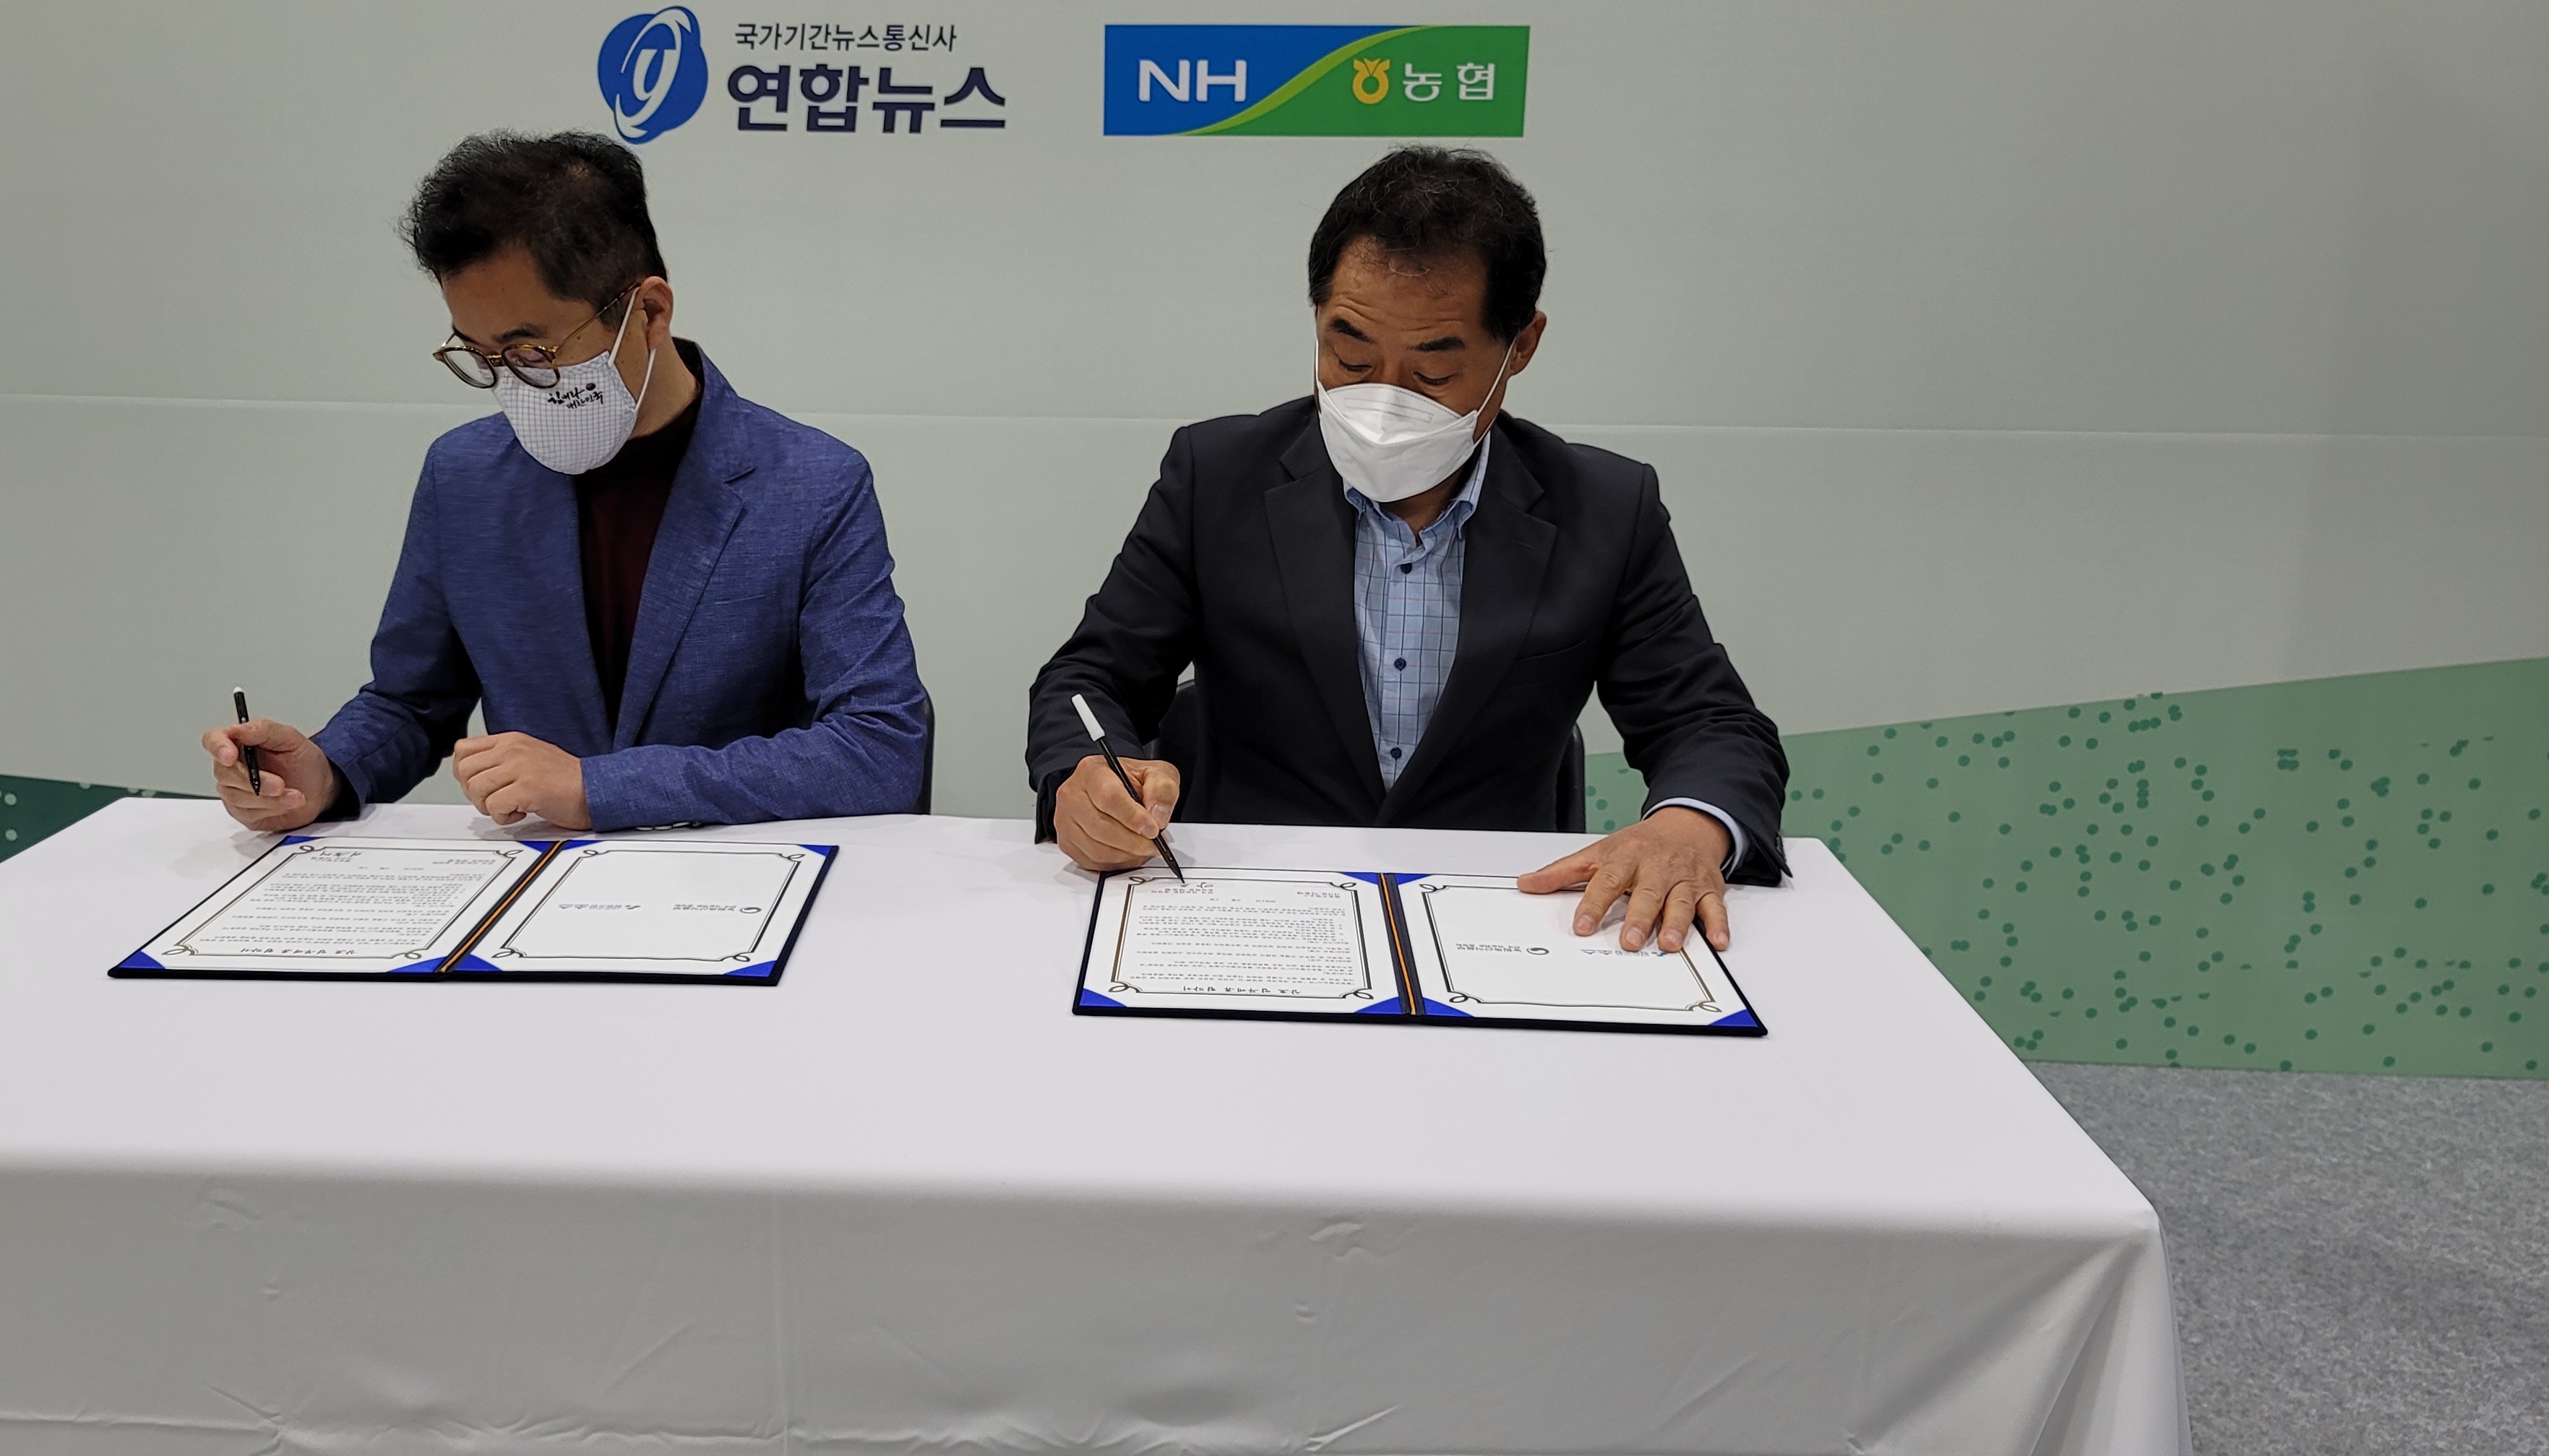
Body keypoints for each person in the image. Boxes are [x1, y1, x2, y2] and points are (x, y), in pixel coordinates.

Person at [1026, 147, 1787, 957]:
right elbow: (1092, 678)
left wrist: (1689, 826)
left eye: (1432, 371)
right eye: (1350, 359)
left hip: (1500, 921)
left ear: (1520, 345)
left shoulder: (1603, 508)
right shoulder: (1217, 477)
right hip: (1247, 906)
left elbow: (1710, 723)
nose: (1381, 402)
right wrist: (1085, 778)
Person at [205, 132, 927, 832]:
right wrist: (326, 771)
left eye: (531, 350)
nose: (509, 384)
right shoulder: (465, 476)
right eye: (480, 356)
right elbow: (411, 703)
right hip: (533, 881)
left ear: (649, 312)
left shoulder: (811, 484)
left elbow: (880, 748)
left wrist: (601, 788)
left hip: (738, 883)